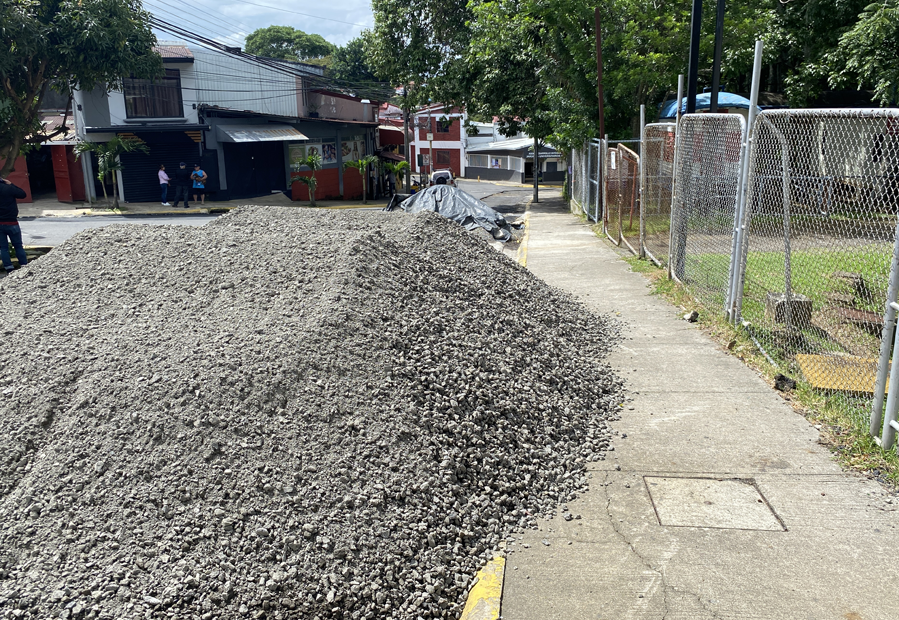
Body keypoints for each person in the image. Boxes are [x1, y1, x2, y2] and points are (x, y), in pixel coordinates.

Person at [0, 176, 28, 275]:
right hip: (12, 222)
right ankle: (24, 265)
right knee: (18, 246)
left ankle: (9, 268)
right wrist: (11, 184)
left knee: (3, 248)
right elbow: (23, 194)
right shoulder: (8, 188)